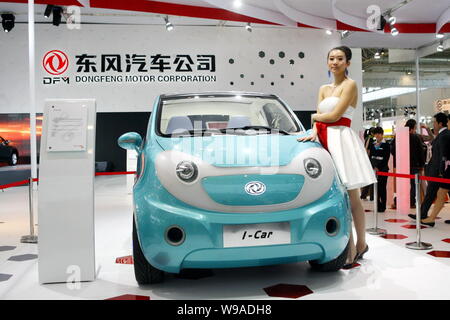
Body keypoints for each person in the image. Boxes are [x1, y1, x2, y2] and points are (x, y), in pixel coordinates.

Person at [298, 46, 377, 266]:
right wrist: (313, 131)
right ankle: (346, 246)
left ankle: (360, 243)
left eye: (340, 59)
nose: (335, 62)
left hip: (342, 141)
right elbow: (319, 121)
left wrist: (315, 118)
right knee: (334, 196)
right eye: (331, 58)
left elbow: (333, 115)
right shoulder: (323, 88)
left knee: (352, 197)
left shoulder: (350, 85)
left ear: (348, 63)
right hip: (323, 140)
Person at [409, 112, 450, 223]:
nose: (434, 124)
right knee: (431, 193)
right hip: (438, 171)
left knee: (435, 194)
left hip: (439, 172)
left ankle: (426, 216)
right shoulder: (442, 135)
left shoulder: (445, 135)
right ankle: (423, 214)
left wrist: (441, 171)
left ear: (440, 123)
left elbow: (443, 155)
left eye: (435, 122)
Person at [368, 127, 390, 212]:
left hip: (383, 170)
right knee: (375, 189)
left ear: (382, 134)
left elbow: (386, 158)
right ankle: (377, 205)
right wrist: (374, 167)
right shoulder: (373, 144)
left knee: (382, 188)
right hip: (374, 170)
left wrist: (378, 167)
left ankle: (383, 206)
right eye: (375, 134)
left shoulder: (386, 144)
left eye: (378, 134)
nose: (377, 135)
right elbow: (371, 157)